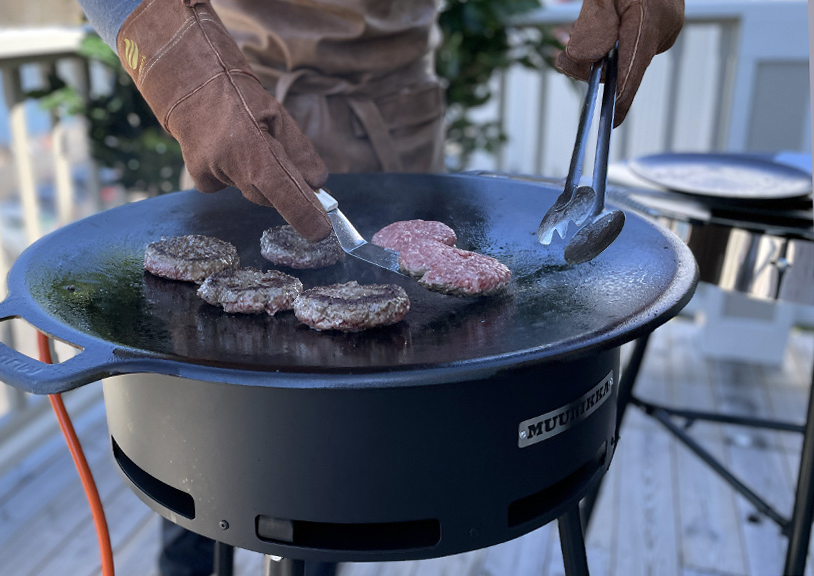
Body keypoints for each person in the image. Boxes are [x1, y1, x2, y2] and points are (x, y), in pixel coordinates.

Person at [76, 0, 685, 574]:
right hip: (239, 129)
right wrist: (188, 76)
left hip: (395, 131)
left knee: (338, 476)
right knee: (208, 448)